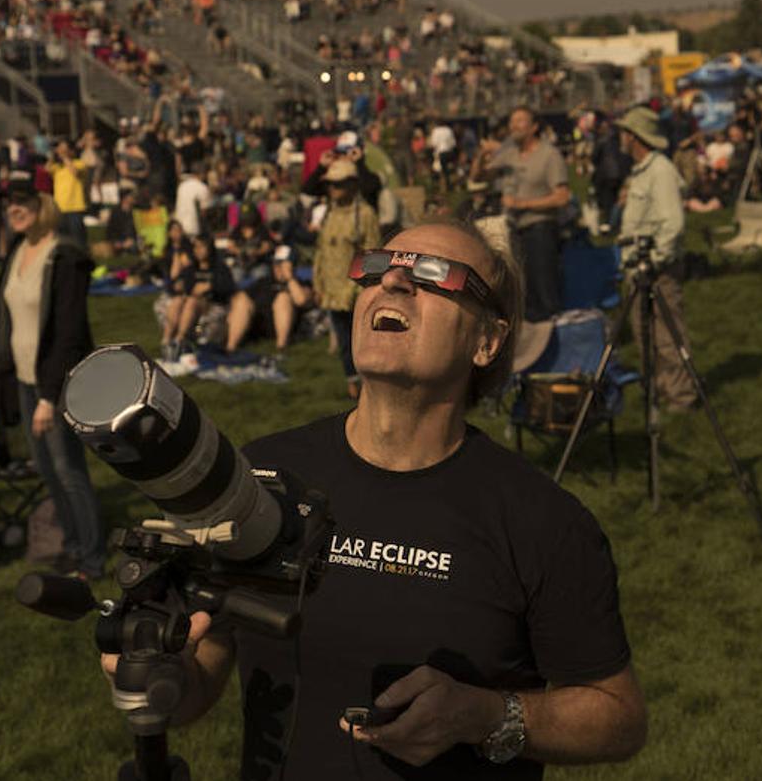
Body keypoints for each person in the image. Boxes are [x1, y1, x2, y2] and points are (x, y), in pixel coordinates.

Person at [101, 218, 647, 779]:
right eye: (378, 267)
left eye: (435, 274)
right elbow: (203, 672)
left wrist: (485, 715)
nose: (394, 283)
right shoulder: (262, 475)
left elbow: (620, 717)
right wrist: (160, 673)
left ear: (487, 341)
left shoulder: (542, 521)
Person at [0, 177, 104, 579]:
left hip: (56, 383)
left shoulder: (66, 258)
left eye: (23, 201)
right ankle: (73, 546)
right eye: (9, 203)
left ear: (44, 205)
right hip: (24, 382)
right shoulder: (17, 253)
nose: (13, 209)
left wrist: (48, 396)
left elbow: (69, 335)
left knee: (67, 468)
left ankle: (92, 559)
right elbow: (0, 324)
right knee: (45, 468)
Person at [615, 106, 696, 412]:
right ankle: (660, 391)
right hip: (640, 269)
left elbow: (673, 223)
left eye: (625, 132)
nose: (621, 138)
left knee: (667, 334)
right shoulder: (642, 170)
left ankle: (680, 397)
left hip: (656, 269)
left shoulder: (660, 170)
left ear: (635, 137)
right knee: (645, 333)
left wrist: (657, 258)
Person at [472, 107, 569, 321]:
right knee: (522, 293)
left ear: (534, 127)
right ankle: (532, 344)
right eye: (512, 121)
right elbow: (478, 177)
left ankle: (555, 339)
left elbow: (562, 197)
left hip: (540, 229)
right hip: (513, 231)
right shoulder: (509, 153)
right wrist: (482, 154)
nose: (513, 126)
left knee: (544, 291)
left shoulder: (549, 155)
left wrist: (522, 203)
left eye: (520, 121)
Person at [314, 158, 381, 399]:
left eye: (338, 184)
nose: (333, 189)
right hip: (331, 290)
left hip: (354, 291)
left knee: (364, 341)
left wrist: (357, 289)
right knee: (343, 341)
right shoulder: (328, 213)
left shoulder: (365, 215)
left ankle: (372, 386)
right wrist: (318, 283)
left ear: (353, 185)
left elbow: (372, 256)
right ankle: (352, 383)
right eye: (330, 185)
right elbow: (321, 250)